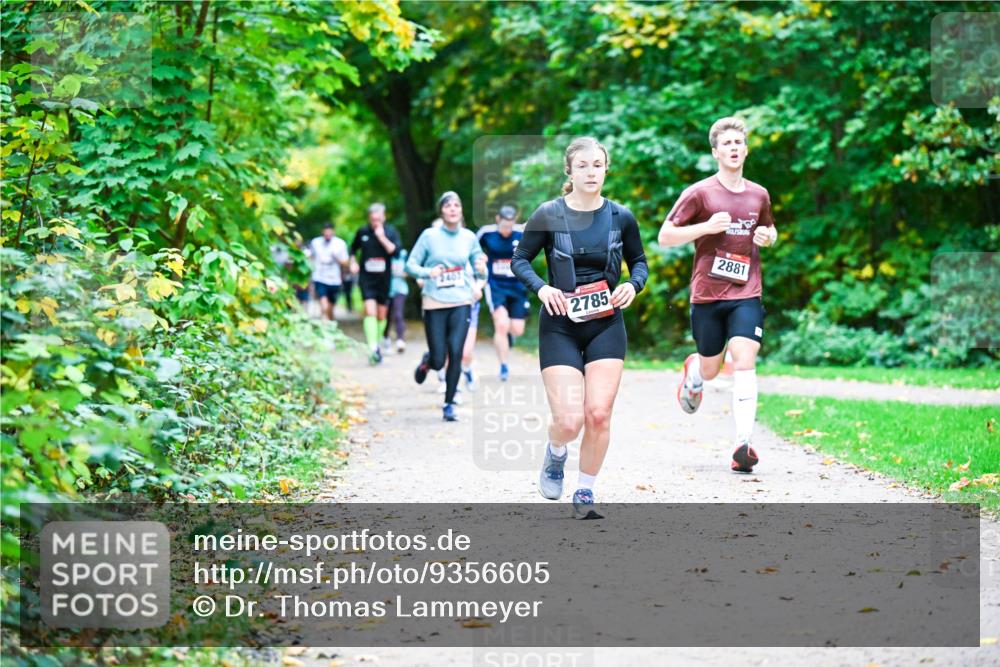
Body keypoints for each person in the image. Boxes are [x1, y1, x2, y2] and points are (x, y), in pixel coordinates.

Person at [511, 137, 648, 519]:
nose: (591, 171)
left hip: (606, 323)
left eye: (598, 164)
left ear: (606, 169)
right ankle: (556, 452)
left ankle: (585, 490)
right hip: (560, 325)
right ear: (569, 171)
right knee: (570, 421)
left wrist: (631, 286)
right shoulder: (548, 214)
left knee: (599, 414)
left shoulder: (621, 216)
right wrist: (543, 288)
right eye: (583, 165)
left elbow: (639, 262)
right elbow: (520, 260)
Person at [657, 116, 778, 474]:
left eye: (738, 143)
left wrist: (768, 238)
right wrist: (705, 228)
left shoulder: (759, 194)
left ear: (746, 150)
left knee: (744, 357)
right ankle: (694, 369)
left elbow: (770, 229)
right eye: (726, 144)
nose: (733, 149)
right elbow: (665, 236)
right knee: (711, 369)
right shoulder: (700, 193)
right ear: (715, 152)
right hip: (708, 295)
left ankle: (744, 444)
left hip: (746, 292)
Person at [407, 192, 487, 422]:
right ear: (441, 210)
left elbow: (481, 268)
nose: (453, 208)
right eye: (448, 205)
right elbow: (410, 264)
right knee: (439, 358)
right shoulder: (429, 236)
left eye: (457, 205)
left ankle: (449, 404)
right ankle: (428, 361)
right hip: (434, 301)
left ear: (460, 211)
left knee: (457, 351)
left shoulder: (469, 237)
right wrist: (427, 272)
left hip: (461, 301)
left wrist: (480, 275)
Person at [477, 204, 529, 381]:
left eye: (510, 224)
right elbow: (472, 249)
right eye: (504, 224)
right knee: (501, 324)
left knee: (517, 329)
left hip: (517, 286)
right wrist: (479, 260)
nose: (507, 229)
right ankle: (504, 366)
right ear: (498, 219)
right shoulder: (486, 233)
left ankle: (509, 336)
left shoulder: (520, 233)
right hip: (495, 285)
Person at [350, 203, 402, 364]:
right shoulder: (362, 232)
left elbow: (396, 252)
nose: (375, 223)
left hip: (384, 279)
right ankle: (372, 348)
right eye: (373, 220)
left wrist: (381, 237)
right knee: (370, 311)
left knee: (381, 315)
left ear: (384, 217)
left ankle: (377, 344)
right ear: (369, 219)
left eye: (378, 220)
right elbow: (352, 249)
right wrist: (352, 262)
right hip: (367, 279)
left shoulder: (390, 231)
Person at [308, 224, 349, 321]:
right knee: (324, 304)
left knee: (330, 307)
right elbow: (311, 257)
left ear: (333, 232)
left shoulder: (340, 244)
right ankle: (324, 323)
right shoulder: (315, 242)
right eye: (325, 234)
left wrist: (337, 258)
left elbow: (346, 263)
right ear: (322, 232)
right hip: (319, 277)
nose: (327, 236)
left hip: (334, 279)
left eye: (329, 234)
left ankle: (330, 323)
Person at [385, 248, 409, 353]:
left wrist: (402, 273)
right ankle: (385, 338)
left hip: (400, 289)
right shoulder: (384, 253)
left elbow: (409, 270)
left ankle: (400, 340)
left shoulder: (404, 254)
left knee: (398, 314)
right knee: (387, 316)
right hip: (386, 289)